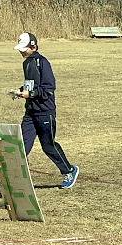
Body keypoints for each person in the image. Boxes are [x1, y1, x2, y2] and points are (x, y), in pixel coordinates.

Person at [11, 32, 78, 188]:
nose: (21, 51)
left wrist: (31, 94)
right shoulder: (26, 63)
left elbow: (48, 89)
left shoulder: (43, 62)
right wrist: (20, 91)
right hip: (30, 112)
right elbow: (31, 84)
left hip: (45, 112)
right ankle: (14, 180)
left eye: (24, 49)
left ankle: (69, 170)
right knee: (21, 146)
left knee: (48, 146)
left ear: (34, 47)